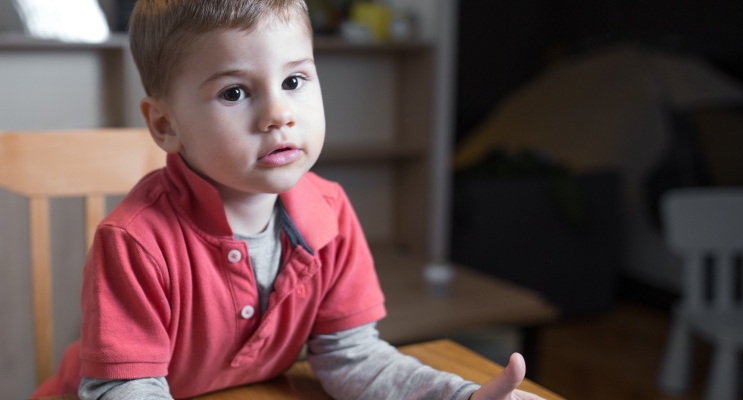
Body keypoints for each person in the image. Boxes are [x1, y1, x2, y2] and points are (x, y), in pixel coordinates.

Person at [33, 1, 543, 399]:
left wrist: (461, 396)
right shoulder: (135, 242)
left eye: (294, 80)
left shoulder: (331, 215)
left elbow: (353, 359)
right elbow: (124, 388)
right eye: (235, 92)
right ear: (166, 125)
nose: (279, 113)